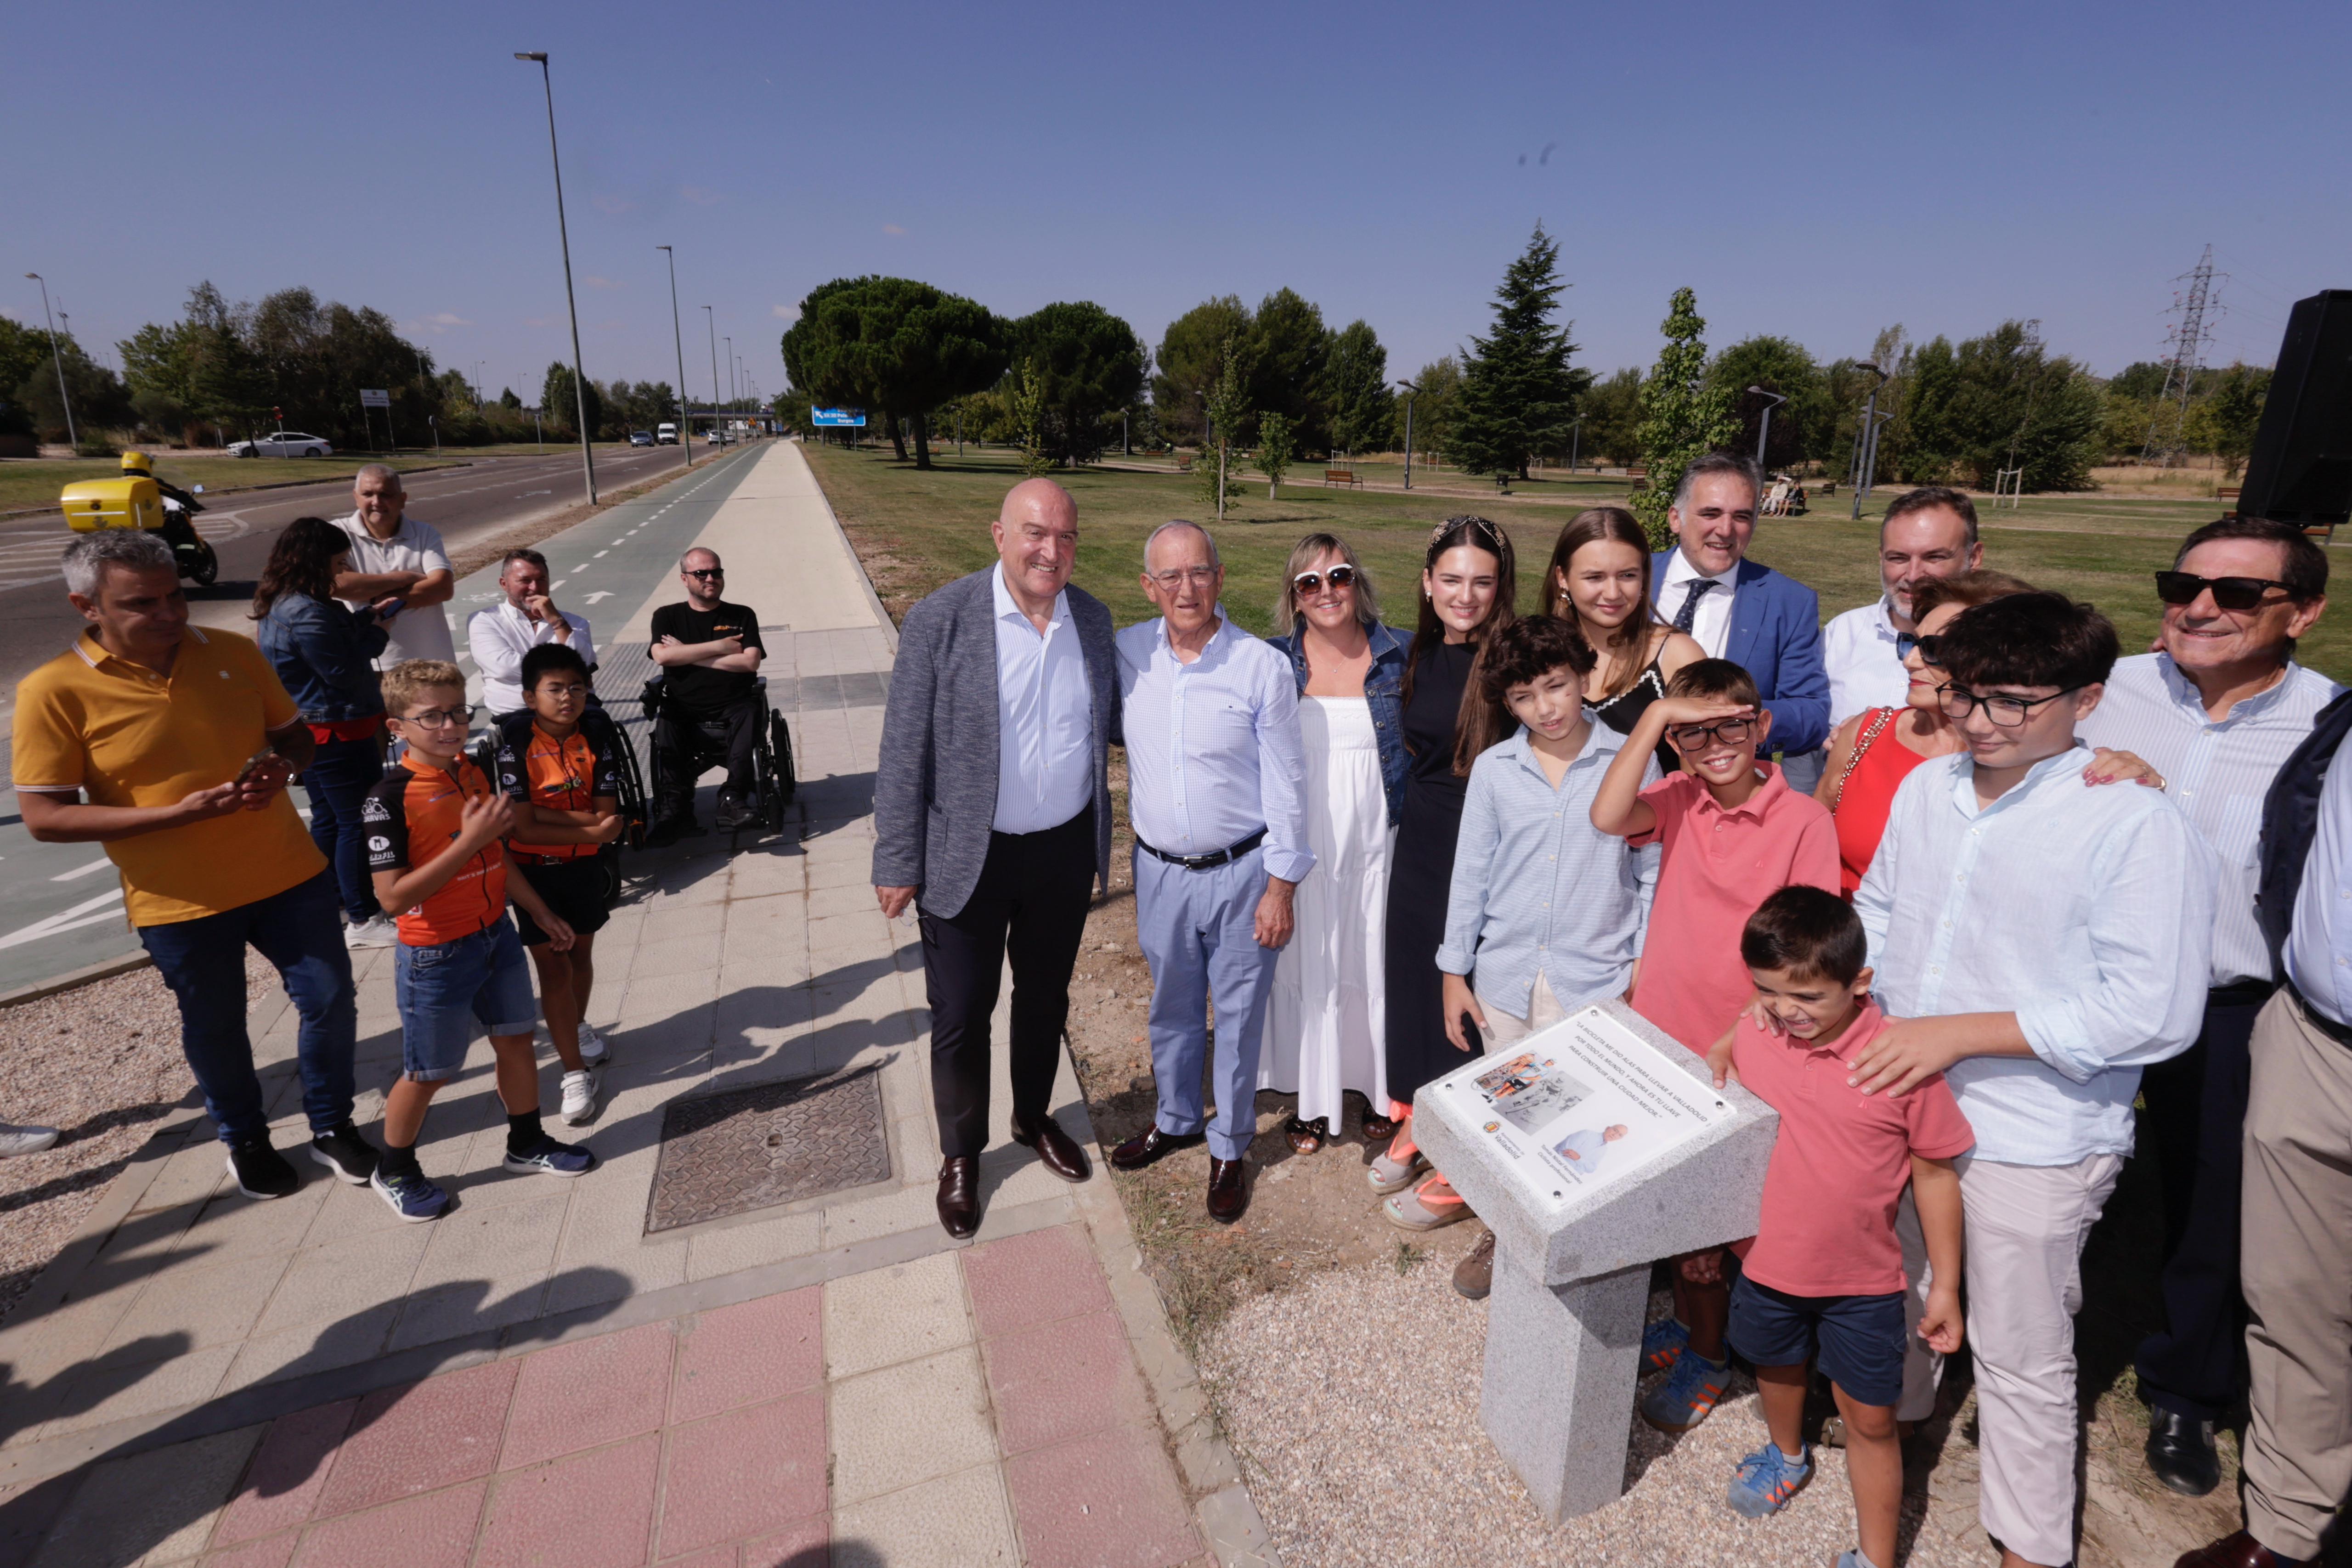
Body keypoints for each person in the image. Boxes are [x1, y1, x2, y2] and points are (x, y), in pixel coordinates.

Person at [1849, 591, 2215, 1568]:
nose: (1979, 720)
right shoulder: (1927, 790)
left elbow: (2153, 1012)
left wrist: (1959, 1034)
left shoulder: (2132, 822)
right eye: (1965, 693)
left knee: (2019, 1355)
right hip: (1907, 1105)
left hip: (2034, 1133)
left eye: (2012, 701)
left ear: (2087, 699)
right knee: (1905, 1285)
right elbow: (1880, 908)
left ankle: (2029, 1545)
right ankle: (1899, 1420)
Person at [2070, 517, 2338, 1499]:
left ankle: (2186, 1385)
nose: (2200, 607)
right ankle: (2020, 1350)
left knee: (2214, 1197)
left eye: (2237, 594)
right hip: (2090, 981)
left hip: (2230, 996)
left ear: (2303, 612)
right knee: (2049, 1164)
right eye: (2183, 586)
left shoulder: (2329, 725)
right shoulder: (2107, 688)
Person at [15, 530, 379, 1199]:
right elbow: (45, 817)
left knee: (330, 999)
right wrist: (175, 815)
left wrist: (283, 769)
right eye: (141, 604)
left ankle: (333, 1125)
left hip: (288, 873)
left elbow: (296, 739)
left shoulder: (233, 653)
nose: (169, 614)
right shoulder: (53, 690)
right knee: (217, 1026)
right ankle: (246, 1139)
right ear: (86, 606)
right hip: (179, 900)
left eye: (175, 596)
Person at [1590, 657, 1839, 1432]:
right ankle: (1697, 1326)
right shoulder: (1680, 795)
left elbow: (1809, 948)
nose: (1715, 745)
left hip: (1743, 1047)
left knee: (1718, 1225)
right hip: (1663, 1034)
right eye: (1693, 733)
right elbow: (1608, 814)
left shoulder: (1805, 820)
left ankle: (1713, 1351)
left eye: (1731, 725)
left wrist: (1742, 1030)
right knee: (1675, 1203)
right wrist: (1656, 720)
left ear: (1761, 725)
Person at [1702, 887, 1971, 1568]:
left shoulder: (1900, 1061)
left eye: (1807, 997)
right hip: (1764, 1265)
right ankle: (1785, 1453)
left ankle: (1877, 1558)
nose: (1786, 1010)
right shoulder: (1758, 1031)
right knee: (1775, 1366)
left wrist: (1945, 1285)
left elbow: (1935, 1174)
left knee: (1872, 1422)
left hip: (1863, 1285)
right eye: (1767, 990)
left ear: (1859, 982)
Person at [872, 479, 1113, 1240]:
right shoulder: (941, 619)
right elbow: (903, 747)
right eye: (1036, 532)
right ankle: (961, 1155)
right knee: (961, 1013)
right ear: (999, 534)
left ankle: (1033, 1116)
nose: (1051, 550)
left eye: (1066, 536)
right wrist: (896, 856)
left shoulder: (1093, 620)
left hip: (1063, 851)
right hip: (965, 857)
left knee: (1044, 999)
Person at [2171, 682, 2352, 1568]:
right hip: (2313, 1036)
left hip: (2281, 1017)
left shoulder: (2318, 706)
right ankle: (2288, 1525)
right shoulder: (2342, 722)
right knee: (2290, 1291)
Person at [1425, 615, 1660, 1295]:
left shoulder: (1632, 759)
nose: (1545, 708)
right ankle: (1504, 1231)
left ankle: (1579, 1245)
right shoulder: (1495, 770)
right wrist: (1453, 970)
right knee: (1511, 1114)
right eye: (1523, 697)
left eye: (1556, 686)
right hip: (1505, 979)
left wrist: (1642, 961)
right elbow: (1471, 872)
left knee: (1585, 1119)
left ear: (1584, 676)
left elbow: (1651, 870)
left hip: (1595, 978)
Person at [1108, 521, 1310, 1227]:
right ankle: (1176, 1118)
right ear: (1149, 587)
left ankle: (1229, 1145)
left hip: (1242, 872)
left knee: (1238, 1014)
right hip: (1159, 873)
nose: (1186, 588)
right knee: (1172, 1005)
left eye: (1199, 572)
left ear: (1220, 578)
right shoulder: (1127, 654)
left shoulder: (1260, 667)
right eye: (1170, 576)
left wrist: (1281, 886)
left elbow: (1288, 785)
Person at [363, 660, 595, 1222]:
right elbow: (392, 899)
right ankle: (394, 1169)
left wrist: (538, 911)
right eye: (431, 717)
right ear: (397, 728)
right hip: (436, 954)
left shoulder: (470, 771)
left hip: (496, 936)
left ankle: (526, 1142)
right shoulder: (387, 798)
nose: (449, 726)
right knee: (430, 1072)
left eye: (458, 712)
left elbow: (495, 855)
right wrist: (467, 840)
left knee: (516, 1041)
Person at [1366, 518, 1517, 1219]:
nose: (1466, 595)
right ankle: (1423, 1118)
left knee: (1476, 994)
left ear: (1501, 587)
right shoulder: (1414, 653)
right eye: (1451, 579)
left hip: (1487, 843)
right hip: (1422, 839)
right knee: (1420, 983)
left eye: (1482, 581)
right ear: (1427, 583)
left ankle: (1468, 1154)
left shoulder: (1513, 660)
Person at [1258, 533, 1410, 1155]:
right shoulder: (1272, 662)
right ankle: (1313, 1095)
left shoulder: (1401, 653)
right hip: (1306, 843)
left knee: (1370, 956)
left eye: (1339, 576)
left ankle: (1378, 1086)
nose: (1327, 591)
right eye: (1310, 582)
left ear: (1358, 583)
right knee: (1311, 959)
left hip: (1379, 840)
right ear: (1294, 597)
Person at [1819, 570, 2035, 897]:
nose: (1910, 661)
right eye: (1912, 642)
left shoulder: (2028, 763)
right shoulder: (1865, 733)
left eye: (1934, 649)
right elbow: (1809, 841)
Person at [251, 517, 405, 948]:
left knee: (331, 820)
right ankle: (363, 917)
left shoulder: (287, 602)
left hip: (315, 731)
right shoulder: (306, 611)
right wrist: (377, 633)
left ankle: (334, 901)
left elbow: (333, 644)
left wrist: (367, 617)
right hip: (339, 731)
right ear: (313, 561)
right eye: (337, 563)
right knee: (357, 821)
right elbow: (341, 670)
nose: (342, 572)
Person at [494, 643, 624, 1127]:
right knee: (553, 970)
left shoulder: (597, 739)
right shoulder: (514, 747)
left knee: (581, 957)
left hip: (584, 870)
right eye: (555, 689)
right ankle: (573, 1072)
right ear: (530, 697)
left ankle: (577, 1024)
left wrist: (575, 824)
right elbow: (524, 830)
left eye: (576, 687)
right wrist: (591, 829)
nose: (567, 697)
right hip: (535, 875)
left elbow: (608, 813)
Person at [1651, 451, 1831, 790]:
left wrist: (1735, 720)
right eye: (1710, 513)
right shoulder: (1629, 581)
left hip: (1726, 798)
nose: (1725, 530)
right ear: (1676, 518)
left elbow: (1811, 714)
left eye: (1742, 516)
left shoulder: (1789, 602)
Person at [1542, 506, 1703, 776]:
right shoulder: (1537, 654)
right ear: (1563, 578)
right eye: (1595, 577)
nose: (1613, 593)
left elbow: (1700, 776)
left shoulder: (1678, 656)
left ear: (1644, 576)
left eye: (1627, 575)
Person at [1821, 487, 1985, 730]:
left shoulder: (2002, 645)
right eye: (1898, 558)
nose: (1913, 575)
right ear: (1881, 558)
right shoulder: (1842, 633)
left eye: (1934, 557)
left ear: (1974, 557)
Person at [647, 548, 766, 838]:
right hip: (683, 706)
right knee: (667, 723)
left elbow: (750, 662)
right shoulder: (667, 616)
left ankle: (733, 798)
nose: (710, 578)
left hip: (734, 703)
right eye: (701, 573)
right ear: (685, 579)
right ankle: (675, 808)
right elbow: (662, 656)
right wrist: (721, 648)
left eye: (716, 572)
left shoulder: (742, 614)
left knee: (749, 714)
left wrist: (687, 655)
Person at [330, 465, 455, 666]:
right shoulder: (337, 532)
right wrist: (405, 578)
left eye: (385, 494)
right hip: (369, 664)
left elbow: (442, 588)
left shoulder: (424, 533)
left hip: (430, 661)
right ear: (356, 497)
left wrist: (369, 598)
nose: (377, 502)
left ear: (402, 500)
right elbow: (337, 584)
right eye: (368, 494)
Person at [470, 549, 596, 719]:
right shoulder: (485, 620)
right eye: (525, 581)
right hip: (518, 713)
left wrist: (557, 621)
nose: (535, 588)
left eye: (541, 580)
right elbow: (504, 668)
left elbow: (585, 662)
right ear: (504, 584)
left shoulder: (574, 623)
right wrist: (569, 671)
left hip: (574, 710)